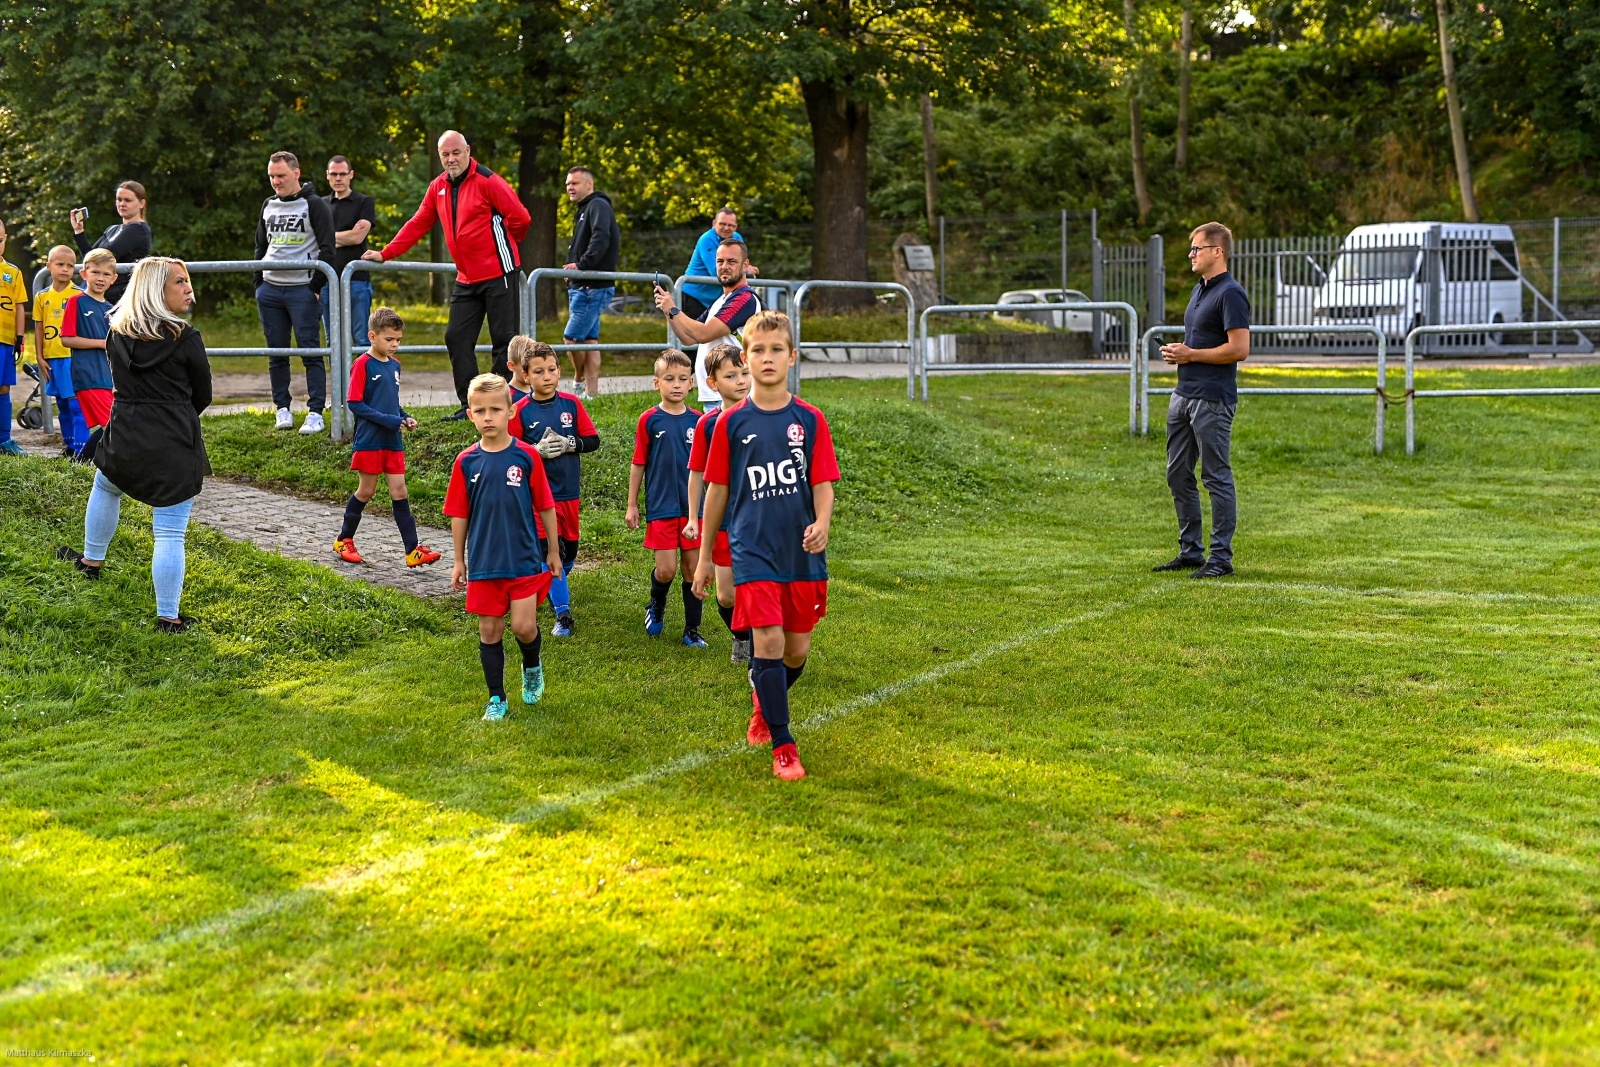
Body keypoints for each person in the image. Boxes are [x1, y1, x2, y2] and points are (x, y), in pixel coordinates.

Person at [693, 311, 838, 782]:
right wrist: (701, 562)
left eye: (777, 350)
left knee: (795, 650)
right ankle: (783, 742)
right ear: (745, 359)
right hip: (751, 549)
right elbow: (716, 491)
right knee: (769, 641)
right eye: (758, 350)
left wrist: (822, 522)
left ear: (792, 357)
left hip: (801, 551)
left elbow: (822, 482)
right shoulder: (730, 424)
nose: (768, 357)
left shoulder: (810, 419)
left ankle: (764, 697)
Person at [56, 257, 211, 632]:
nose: (189, 288)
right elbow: (203, 396)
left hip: (124, 433)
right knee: (170, 530)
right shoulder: (186, 337)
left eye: (187, 281)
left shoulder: (116, 334)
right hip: (173, 438)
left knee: (106, 484)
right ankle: (168, 617)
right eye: (180, 282)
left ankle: (91, 562)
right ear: (157, 291)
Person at [364, 131, 530, 421]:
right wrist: (386, 253)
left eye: (456, 152)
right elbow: (419, 223)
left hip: (499, 272)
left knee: (503, 340)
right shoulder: (437, 186)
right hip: (466, 277)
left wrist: (506, 247)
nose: (451, 159)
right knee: (456, 338)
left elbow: (521, 218)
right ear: (440, 156)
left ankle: (502, 406)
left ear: (467, 150)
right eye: (445, 154)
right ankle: (472, 407)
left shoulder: (489, 181)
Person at [443, 373, 564, 722]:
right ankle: (496, 698)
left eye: (495, 409)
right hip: (483, 563)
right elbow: (458, 514)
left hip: (524, 558)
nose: (488, 417)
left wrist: (552, 551)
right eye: (479, 411)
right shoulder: (466, 462)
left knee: (524, 628)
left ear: (511, 412)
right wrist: (458, 561)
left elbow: (545, 506)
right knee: (489, 631)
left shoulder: (526, 456)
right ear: (470, 415)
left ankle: (532, 668)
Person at [1154, 221, 1251, 580]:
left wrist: (1191, 354)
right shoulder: (1200, 291)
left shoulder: (1230, 293)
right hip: (1183, 395)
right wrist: (1180, 353)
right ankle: (1191, 552)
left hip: (1212, 399)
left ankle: (1220, 558)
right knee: (1177, 473)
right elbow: (1200, 342)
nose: (1191, 254)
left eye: (1196, 248)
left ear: (1217, 252)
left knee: (1215, 477)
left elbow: (1239, 349)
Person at [332, 306, 443, 569]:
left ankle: (412, 550)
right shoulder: (362, 364)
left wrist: (404, 416)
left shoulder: (395, 366)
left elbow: (391, 403)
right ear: (373, 336)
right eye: (389, 339)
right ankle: (343, 540)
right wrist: (392, 421)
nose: (394, 345)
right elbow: (355, 404)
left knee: (400, 491)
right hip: (370, 439)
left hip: (393, 440)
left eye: (398, 340)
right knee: (366, 490)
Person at [508, 339, 599, 638]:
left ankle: (548, 583)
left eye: (551, 370)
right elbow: (511, 452)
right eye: (538, 371)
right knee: (552, 551)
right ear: (526, 376)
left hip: (569, 495)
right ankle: (563, 616)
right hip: (538, 499)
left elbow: (593, 440)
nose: (546, 376)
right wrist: (536, 450)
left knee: (569, 552)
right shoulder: (520, 410)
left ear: (560, 371)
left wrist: (570, 443)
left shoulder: (571, 405)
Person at [626, 349, 703, 645]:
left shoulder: (700, 422)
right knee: (667, 569)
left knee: (691, 569)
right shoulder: (649, 420)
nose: (676, 384)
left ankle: (692, 630)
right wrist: (632, 504)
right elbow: (638, 463)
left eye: (683, 379)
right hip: (661, 506)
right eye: (669, 379)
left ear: (692, 383)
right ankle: (656, 605)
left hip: (694, 509)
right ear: (656, 383)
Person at [255, 150, 336, 436]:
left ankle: (315, 412)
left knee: (310, 351)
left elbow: (328, 249)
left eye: (281, 175)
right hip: (270, 290)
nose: (276, 181)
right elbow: (260, 246)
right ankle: (282, 409)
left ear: (296, 173)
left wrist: (314, 288)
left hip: (302, 290)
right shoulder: (268, 205)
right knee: (277, 352)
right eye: (272, 176)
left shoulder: (313, 205)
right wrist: (259, 283)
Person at [683, 343, 754, 663]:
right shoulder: (707, 425)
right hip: (723, 521)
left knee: (758, 586)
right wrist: (694, 518)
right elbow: (697, 475)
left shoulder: (763, 417)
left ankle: (764, 647)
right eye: (731, 375)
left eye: (745, 373)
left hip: (758, 518)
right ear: (712, 383)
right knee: (726, 595)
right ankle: (742, 637)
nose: (741, 380)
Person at [653, 237, 760, 410]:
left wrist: (673, 309)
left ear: (745, 265)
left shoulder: (744, 298)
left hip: (735, 398)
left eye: (732, 261)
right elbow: (688, 338)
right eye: (720, 261)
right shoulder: (721, 301)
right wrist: (668, 311)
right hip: (716, 397)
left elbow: (702, 334)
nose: (724, 266)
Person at [562, 166, 619, 401]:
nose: (570, 188)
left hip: (591, 286)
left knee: (571, 338)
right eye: (568, 185)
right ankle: (592, 394)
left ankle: (578, 381)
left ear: (589, 184)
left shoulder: (597, 205)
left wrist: (582, 266)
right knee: (589, 340)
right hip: (584, 285)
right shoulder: (585, 209)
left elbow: (600, 237)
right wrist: (571, 267)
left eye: (575, 183)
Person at [59, 249, 118, 462]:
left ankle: (82, 463)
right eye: (95, 272)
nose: (100, 278)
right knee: (113, 426)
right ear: (84, 274)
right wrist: (102, 344)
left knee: (113, 426)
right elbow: (66, 338)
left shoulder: (112, 309)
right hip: (88, 376)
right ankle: (82, 463)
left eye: (105, 274)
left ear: (114, 278)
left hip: (107, 378)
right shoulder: (76, 302)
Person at [322, 156, 376, 348]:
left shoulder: (364, 202)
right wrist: (344, 236)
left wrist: (327, 238)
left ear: (350, 175)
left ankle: (360, 379)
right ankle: (339, 380)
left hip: (357, 280)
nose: (338, 178)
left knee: (361, 339)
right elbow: (312, 240)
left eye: (342, 174)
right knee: (332, 341)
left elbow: (357, 238)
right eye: (334, 174)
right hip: (326, 281)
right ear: (327, 175)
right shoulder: (320, 205)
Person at [34, 245, 83, 456]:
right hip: (52, 359)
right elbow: (38, 328)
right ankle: (70, 447)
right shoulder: (42, 297)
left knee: (76, 405)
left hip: (72, 358)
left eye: (70, 266)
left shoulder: (80, 295)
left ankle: (82, 450)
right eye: (60, 264)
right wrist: (39, 356)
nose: (65, 269)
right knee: (62, 405)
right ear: (48, 266)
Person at [70, 181, 152, 305]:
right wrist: (79, 231)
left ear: (141, 203)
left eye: (127, 200)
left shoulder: (139, 229)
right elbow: (90, 258)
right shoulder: (112, 229)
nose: (122, 204)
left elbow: (101, 260)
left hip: (115, 301)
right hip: (94, 296)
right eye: (119, 200)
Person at [679, 207, 753, 320]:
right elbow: (717, 272)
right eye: (722, 224)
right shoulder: (706, 239)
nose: (727, 228)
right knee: (693, 335)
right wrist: (747, 269)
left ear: (736, 226)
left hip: (716, 300)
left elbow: (740, 263)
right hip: (694, 297)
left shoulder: (737, 238)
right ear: (714, 223)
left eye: (731, 225)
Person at [0, 220, 29, 456]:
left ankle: (4, 439)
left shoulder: (13, 272)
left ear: (5, 239)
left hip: (6, 340)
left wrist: (19, 337)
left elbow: (19, 307)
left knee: (4, 387)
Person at [506, 335, 536, 406]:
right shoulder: (506, 397)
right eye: (526, 365)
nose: (533, 370)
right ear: (511, 366)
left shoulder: (538, 392)